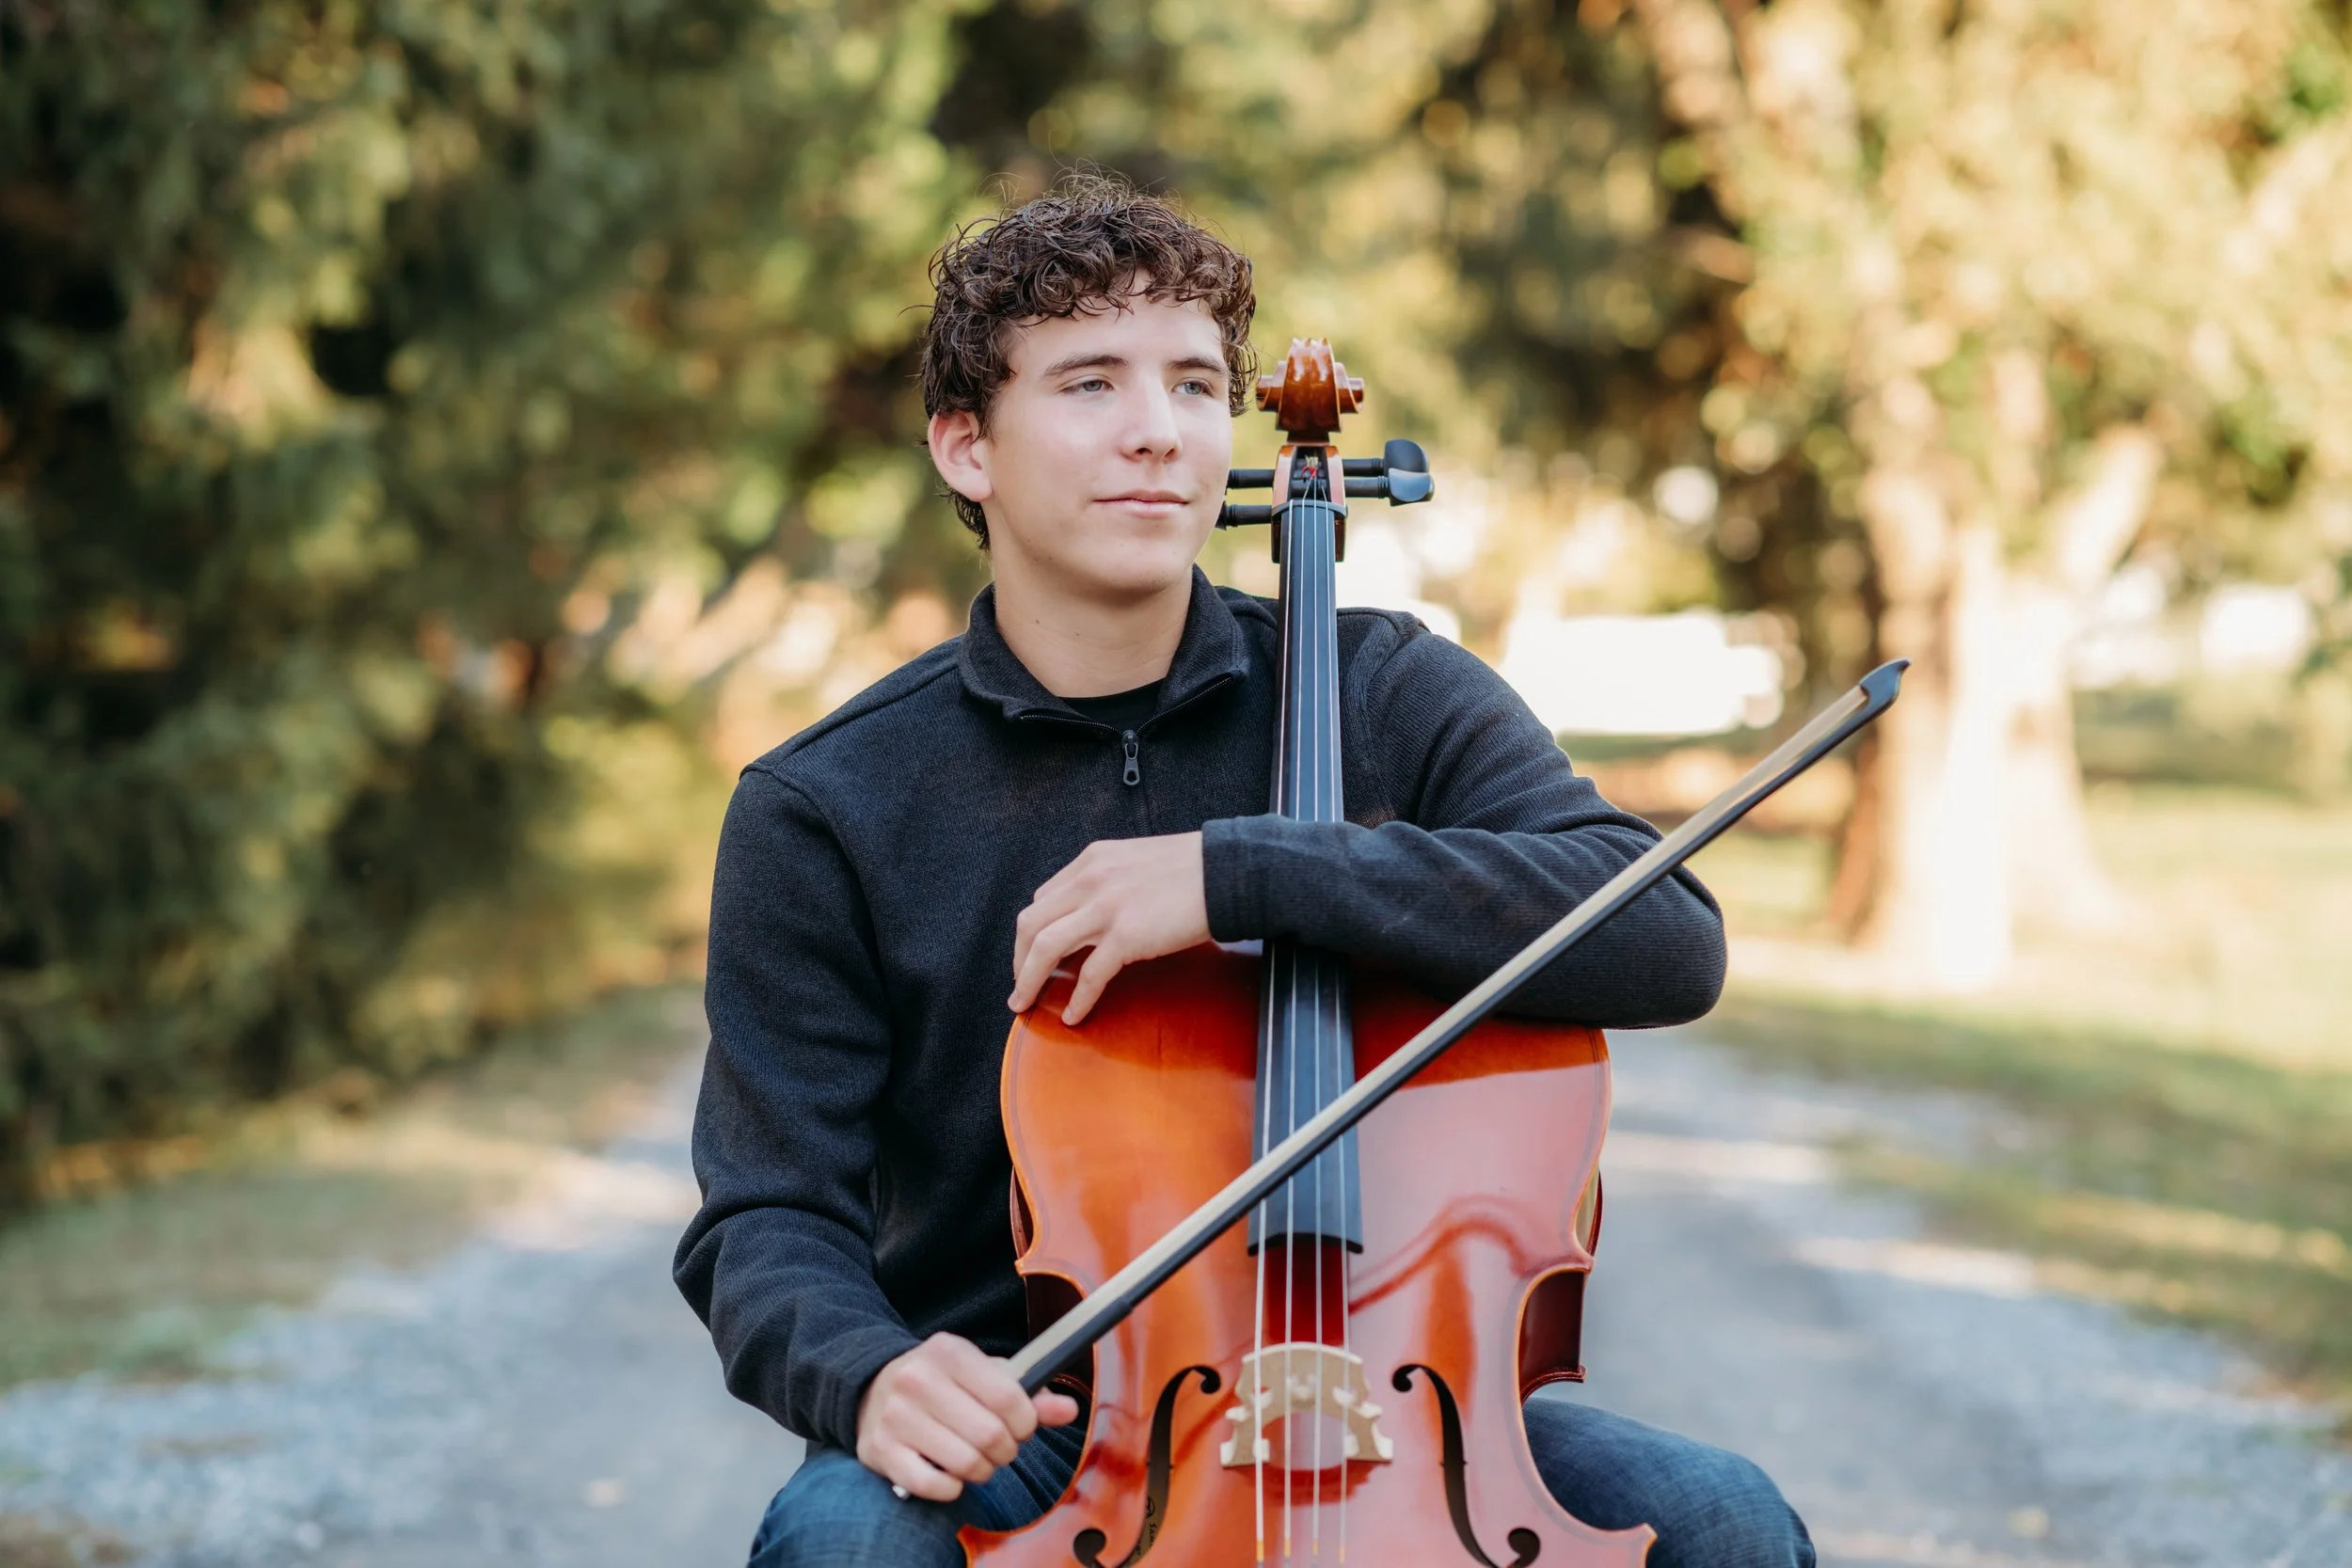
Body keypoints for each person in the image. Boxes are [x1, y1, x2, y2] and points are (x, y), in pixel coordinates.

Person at [675, 175, 1815, 1568]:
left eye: (1197, 385)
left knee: (1723, 1522)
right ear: (966, 447)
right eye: (1091, 382)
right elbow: (767, 1213)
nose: (1158, 431)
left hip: (1409, 1401)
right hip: (1041, 1422)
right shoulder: (830, 804)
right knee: (842, 1534)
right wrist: (867, 1370)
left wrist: (1247, 872)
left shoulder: (1382, 686)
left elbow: (1665, 933)